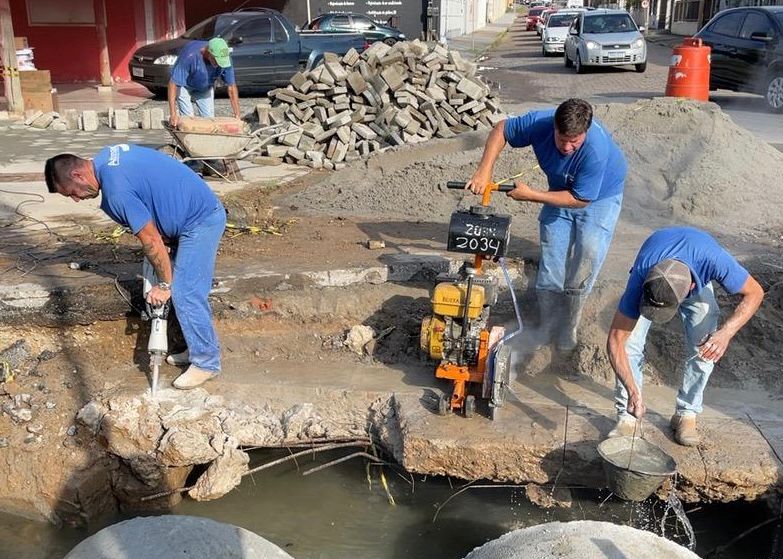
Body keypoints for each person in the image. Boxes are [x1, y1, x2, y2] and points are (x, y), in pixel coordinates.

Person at [44, 144, 226, 390]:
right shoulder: (107, 158)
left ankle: (206, 362)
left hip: (200, 220)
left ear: (77, 175)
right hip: (188, 216)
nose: (76, 199)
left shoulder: (116, 191)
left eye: (71, 193)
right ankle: (196, 347)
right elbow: (149, 194)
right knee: (180, 285)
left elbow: (150, 240)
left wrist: (164, 284)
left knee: (185, 291)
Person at [467, 98, 627, 354]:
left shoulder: (596, 150)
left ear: (585, 132)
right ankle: (547, 326)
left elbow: (579, 199)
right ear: (554, 125)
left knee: (588, 251)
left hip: (599, 197)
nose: (566, 146)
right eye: (561, 138)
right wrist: (484, 171)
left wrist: (531, 194)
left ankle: (569, 327)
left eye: (574, 141)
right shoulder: (540, 122)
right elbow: (501, 129)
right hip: (560, 189)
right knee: (552, 256)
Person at [606, 226, 764, 446]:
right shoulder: (643, 273)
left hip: (696, 261)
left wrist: (725, 334)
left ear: (691, 287)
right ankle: (628, 416)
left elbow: (756, 293)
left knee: (707, 344)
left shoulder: (715, 261)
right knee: (630, 344)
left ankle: (686, 414)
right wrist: (632, 390)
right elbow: (615, 341)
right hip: (657, 263)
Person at [168, 37, 241, 127]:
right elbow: (173, 84)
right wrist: (173, 114)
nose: (218, 64)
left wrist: (237, 115)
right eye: (216, 61)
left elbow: (231, 88)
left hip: (205, 87)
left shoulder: (225, 57)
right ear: (209, 52)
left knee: (209, 122)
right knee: (188, 122)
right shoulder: (190, 56)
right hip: (185, 87)